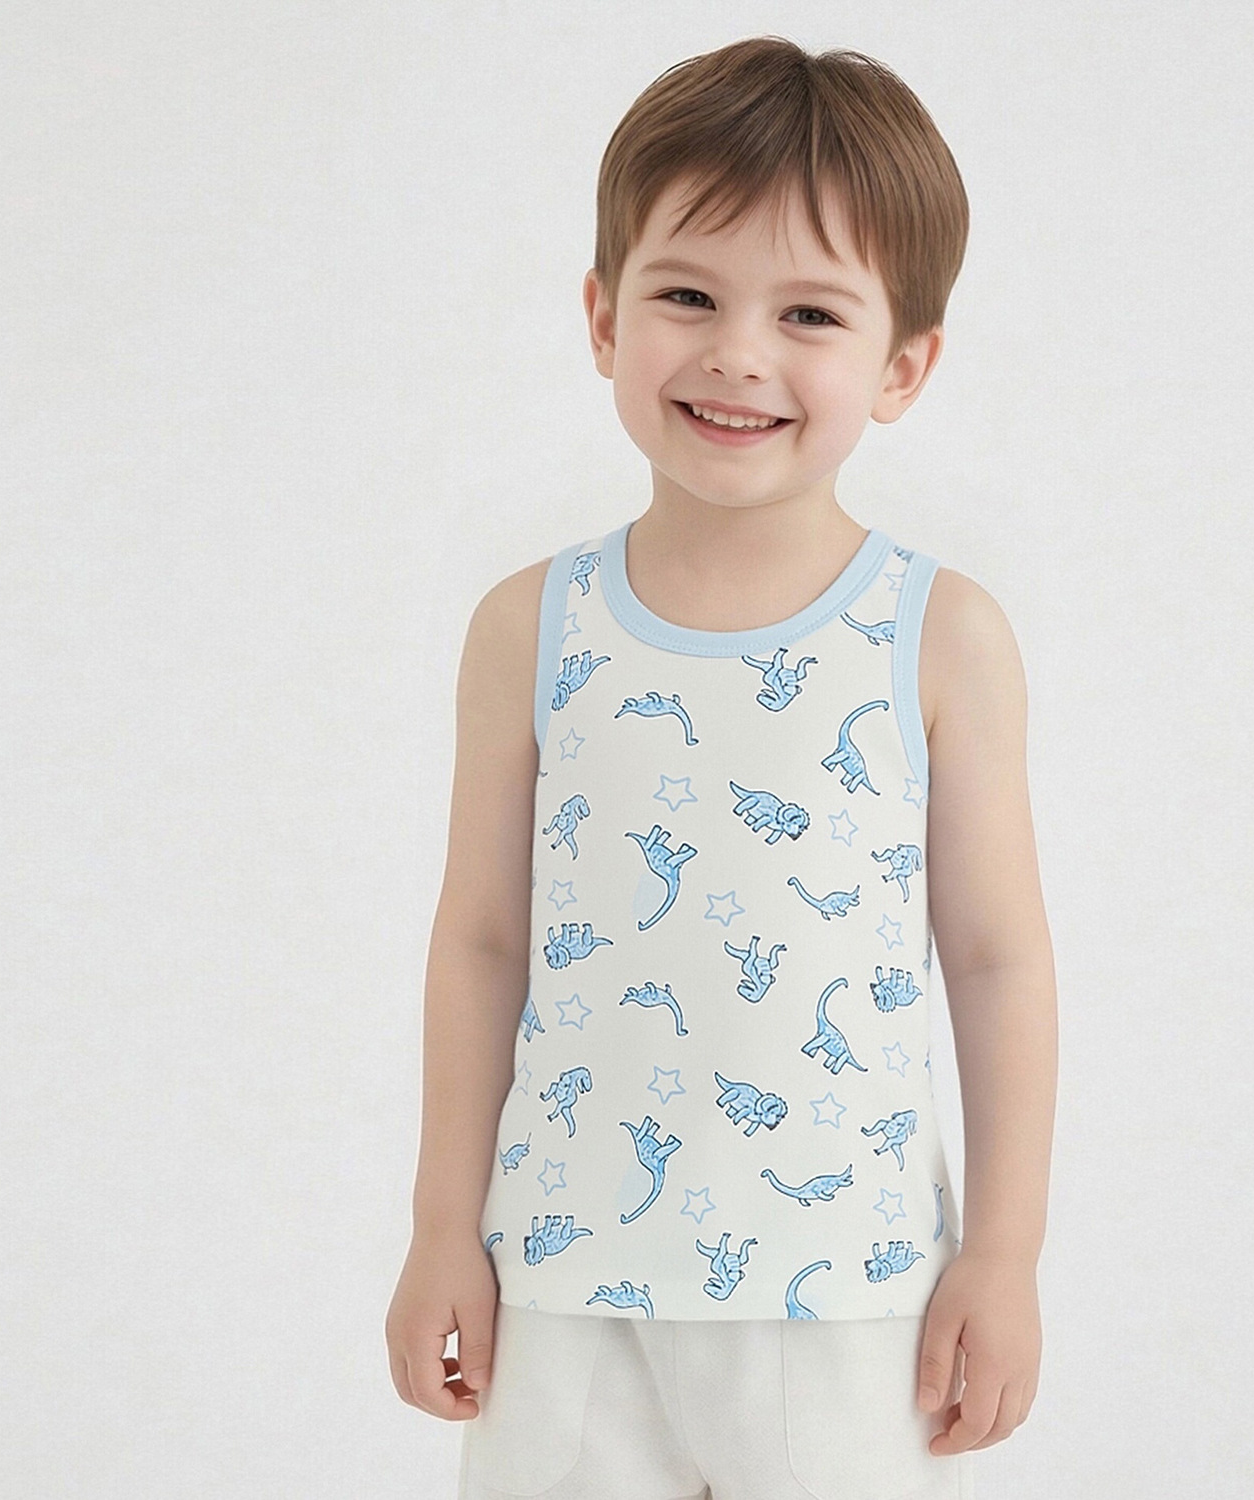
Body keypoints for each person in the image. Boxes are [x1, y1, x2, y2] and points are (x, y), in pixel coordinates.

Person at [386, 34, 1057, 1500]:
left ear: (903, 364)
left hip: (850, 1293)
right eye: (687, 295)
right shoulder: (528, 627)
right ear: (602, 315)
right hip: (562, 1281)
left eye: (808, 312)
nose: (739, 352)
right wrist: (442, 1228)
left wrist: (1004, 1255)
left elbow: (996, 959)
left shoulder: (940, 636)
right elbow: (483, 941)